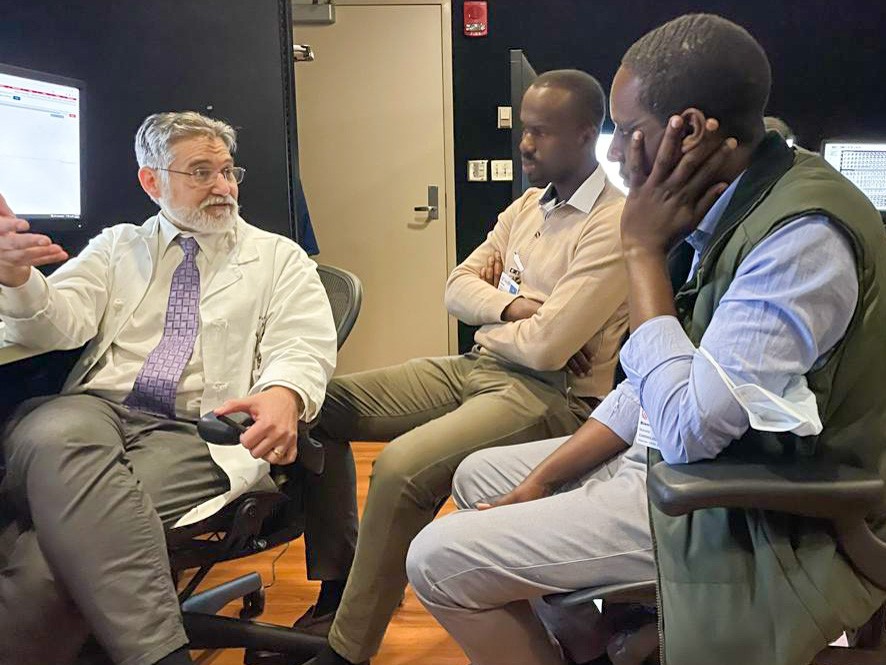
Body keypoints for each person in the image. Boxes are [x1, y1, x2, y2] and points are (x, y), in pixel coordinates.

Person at [407, 13, 886, 665]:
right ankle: (601, 650)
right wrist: (542, 478)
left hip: (747, 505)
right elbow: (650, 387)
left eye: (629, 132)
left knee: (435, 559)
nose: (621, 151)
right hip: (688, 468)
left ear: (686, 129)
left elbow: (689, 429)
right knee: (481, 473)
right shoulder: (731, 197)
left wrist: (641, 251)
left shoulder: (798, 239)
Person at [0, 111, 354, 665]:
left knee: (51, 553)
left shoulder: (277, 257)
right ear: (151, 181)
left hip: (195, 431)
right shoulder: (118, 247)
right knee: (56, 430)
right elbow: (60, 322)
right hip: (96, 411)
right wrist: (20, 283)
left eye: (228, 171)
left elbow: (302, 344)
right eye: (201, 171)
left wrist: (285, 392)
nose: (223, 186)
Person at [305, 69, 629, 665]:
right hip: (478, 366)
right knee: (315, 405)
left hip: (551, 395)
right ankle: (336, 585)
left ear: (587, 136)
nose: (524, 144)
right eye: (523, 130)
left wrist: (508, 322)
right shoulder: (528, 205)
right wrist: (519, 310)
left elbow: (549, 351)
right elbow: (455, 287)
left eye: (539, 132)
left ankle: (345, 650)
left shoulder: (614, 222)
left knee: (402, 469)